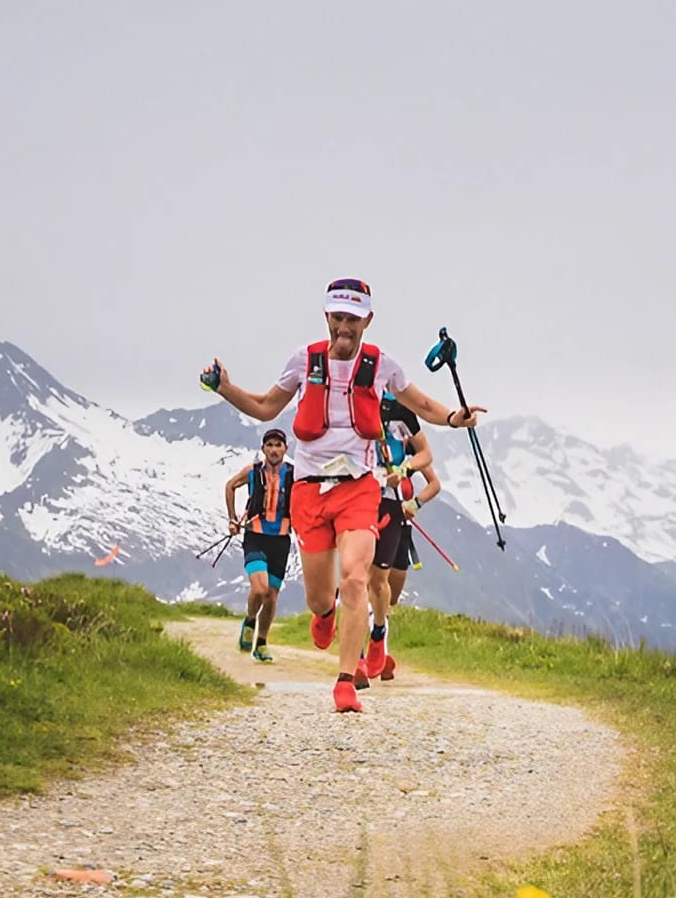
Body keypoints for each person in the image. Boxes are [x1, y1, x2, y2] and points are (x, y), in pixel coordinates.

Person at [203, 277, 483, 713]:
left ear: (367, 320)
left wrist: (453, 415)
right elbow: (265, 407)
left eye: (353, 319)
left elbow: (423, 406)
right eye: (338, 318)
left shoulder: (383, 365)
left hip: (359, 488)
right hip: (311, 492)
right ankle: (324, 614)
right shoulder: (304, 360)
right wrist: (224, 386)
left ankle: (345, 682)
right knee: (319, 596)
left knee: (355, 577)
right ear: (327, 317)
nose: (345, 327)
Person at [365, 391, 440, 682]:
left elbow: (435, 484)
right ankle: (373, 653)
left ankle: (378, 638)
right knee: (372, 581)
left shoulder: (408, 449)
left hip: (400, 522)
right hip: (370, 508)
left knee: (389, 595)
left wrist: (414, 504)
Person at [222, 428, 293, 663]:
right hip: (255, 536)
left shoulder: (293, 474)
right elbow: (230, 485)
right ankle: (250, 619)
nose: (274, 449)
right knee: (260, 588)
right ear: (263, 449)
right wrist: (233, 519)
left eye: (278, 445)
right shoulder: (253, 472)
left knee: (272, 595)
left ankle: (261, 643)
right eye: (269, 445)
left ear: (285, 449)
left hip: (281, 540)